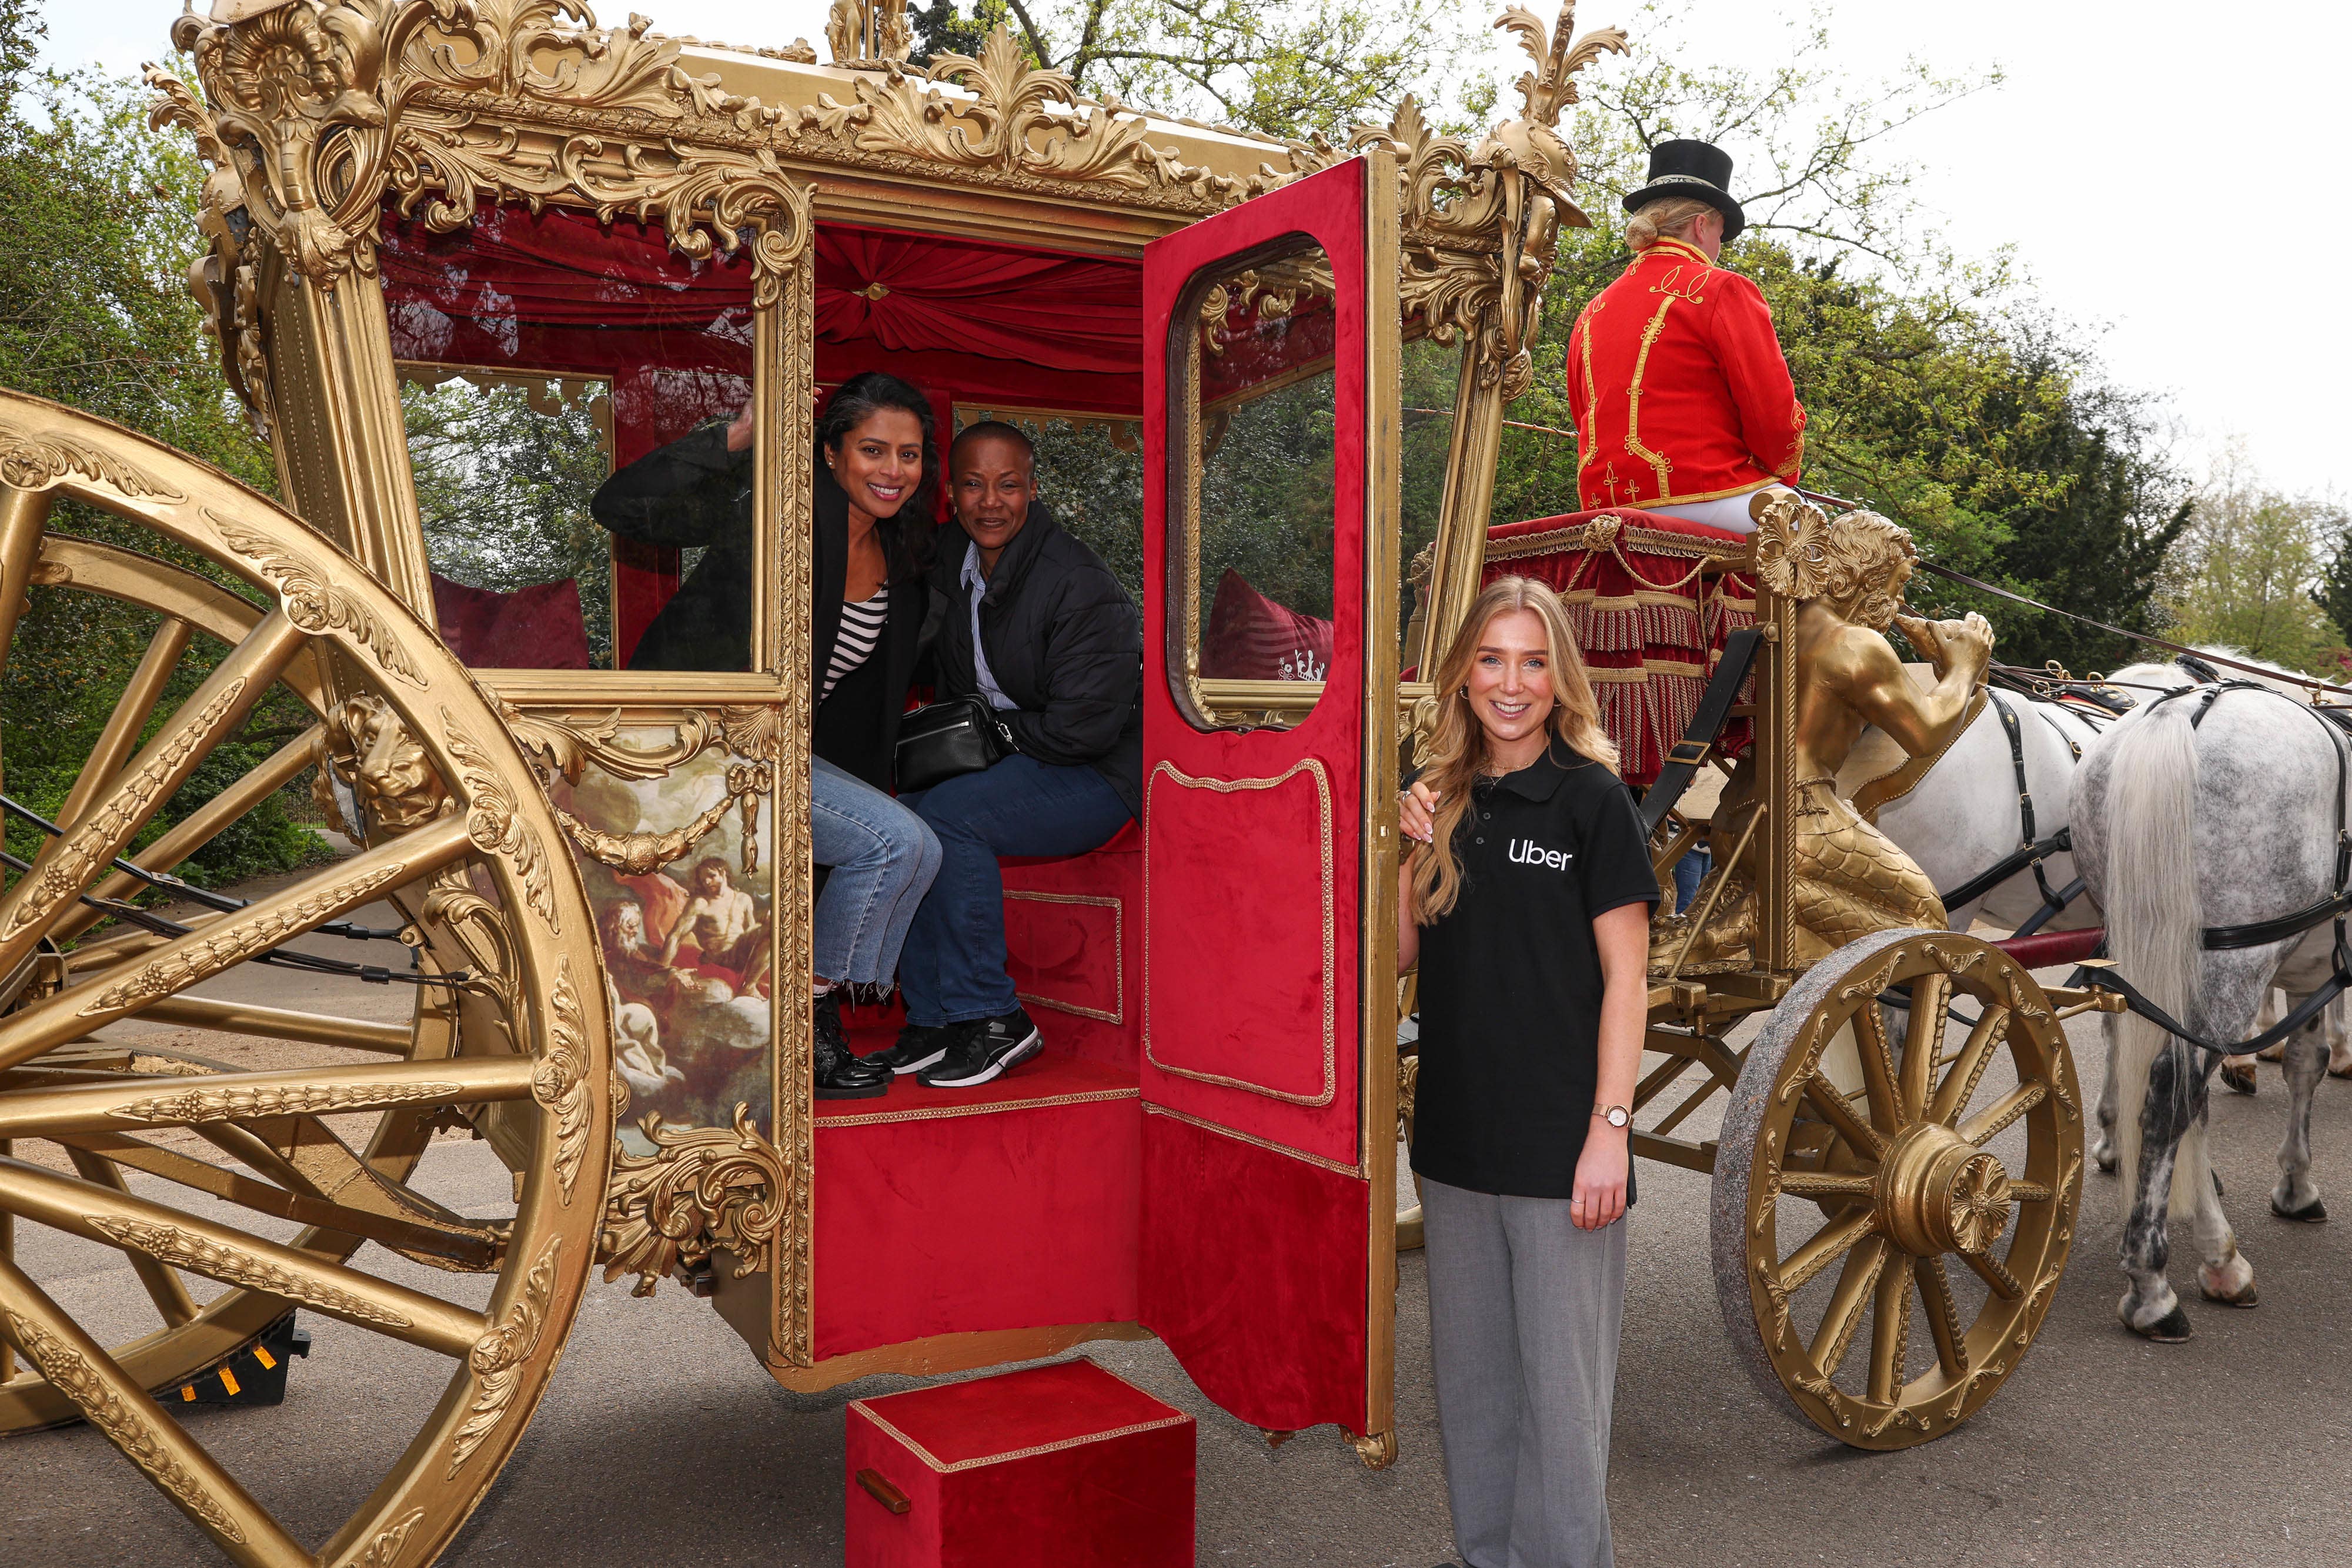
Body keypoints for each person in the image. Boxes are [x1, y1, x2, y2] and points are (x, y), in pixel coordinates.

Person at [1395, 576, 1656, 1568]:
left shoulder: (1592, 800)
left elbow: (1627, 981)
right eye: (1493, 660)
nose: (1513, 683)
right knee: (1474, 1394)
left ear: (1560, 679)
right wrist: (1403, 852)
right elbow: (1400, 957)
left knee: (1562, 1402)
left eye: (1534, 662)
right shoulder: (1441, 797)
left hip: (1563, 1150)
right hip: (1457, 1142)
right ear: (1463, 675)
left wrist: (1610, 1132)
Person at [592, 372, 948, 1098]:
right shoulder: (775, 513)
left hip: (786, 753)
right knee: (896, 842)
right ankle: (805, 1025)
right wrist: (743, 435)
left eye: (908, 456)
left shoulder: (906, 554)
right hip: (698, 747)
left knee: (919, 845)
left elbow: (881, 686)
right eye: (873, 450)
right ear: (831, 453)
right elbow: (622, 506)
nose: (892, 471)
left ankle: (806, 1020)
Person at [864, 420, 1142, 1088]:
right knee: (912, 818)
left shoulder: (1077, 580)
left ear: (1033, 490)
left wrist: (995, 736)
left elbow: (1087, 727)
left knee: (952, 817)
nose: (992, 502)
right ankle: (934, 1018)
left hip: (1099, 772)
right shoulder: (950, 562)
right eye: (973, 485)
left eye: (1009, 486)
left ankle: (993, 1018)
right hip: (1018, 756)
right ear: (951, 496)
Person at [1563, 138, 1807, 535]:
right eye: (1721, 235)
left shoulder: (1592, 311)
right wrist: (1781, 471)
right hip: (1708, 497)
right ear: (1702, 225)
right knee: (1820, 538)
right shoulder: (1723, 289)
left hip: (1604, 507)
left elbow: (1584, 415)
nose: (1719, 250)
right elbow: (1772, 420)